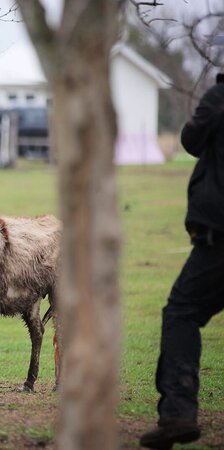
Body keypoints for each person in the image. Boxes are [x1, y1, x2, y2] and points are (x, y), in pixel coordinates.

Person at [140, 75, 224, 449]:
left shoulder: (220, 98)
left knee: (182, 312)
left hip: (219, 240)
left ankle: (177, 413)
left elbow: (190, 140)